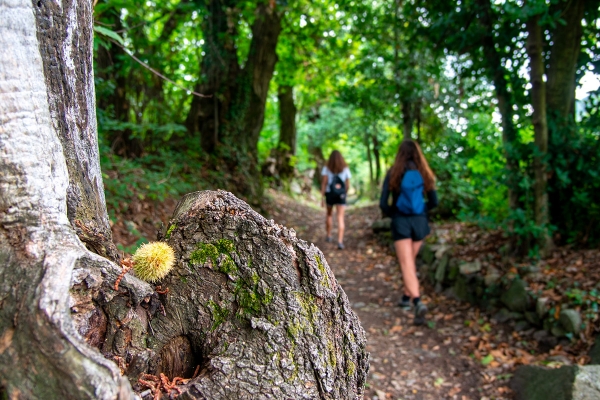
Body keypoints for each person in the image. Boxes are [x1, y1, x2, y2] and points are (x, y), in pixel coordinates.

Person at [380, 140, 438, 325]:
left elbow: (383, 203)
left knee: (406, 264)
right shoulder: (424, 173)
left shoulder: (393, 173)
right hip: (420, 222)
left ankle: (417, 301)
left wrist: (394, 214)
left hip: (401, 222)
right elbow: (434, 202)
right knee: (410, 263)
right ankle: (406, 297)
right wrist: (421, 210)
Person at [321, 150, 351, 249]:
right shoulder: (345, 168)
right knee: (340, 217)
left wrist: (322, 197)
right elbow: (347, 184)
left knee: (329, 214)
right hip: (341, 195)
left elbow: (324, 183)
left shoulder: (326, 168)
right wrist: (344, 193)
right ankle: (340, 241)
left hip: (330, 194)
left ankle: (329, 235)